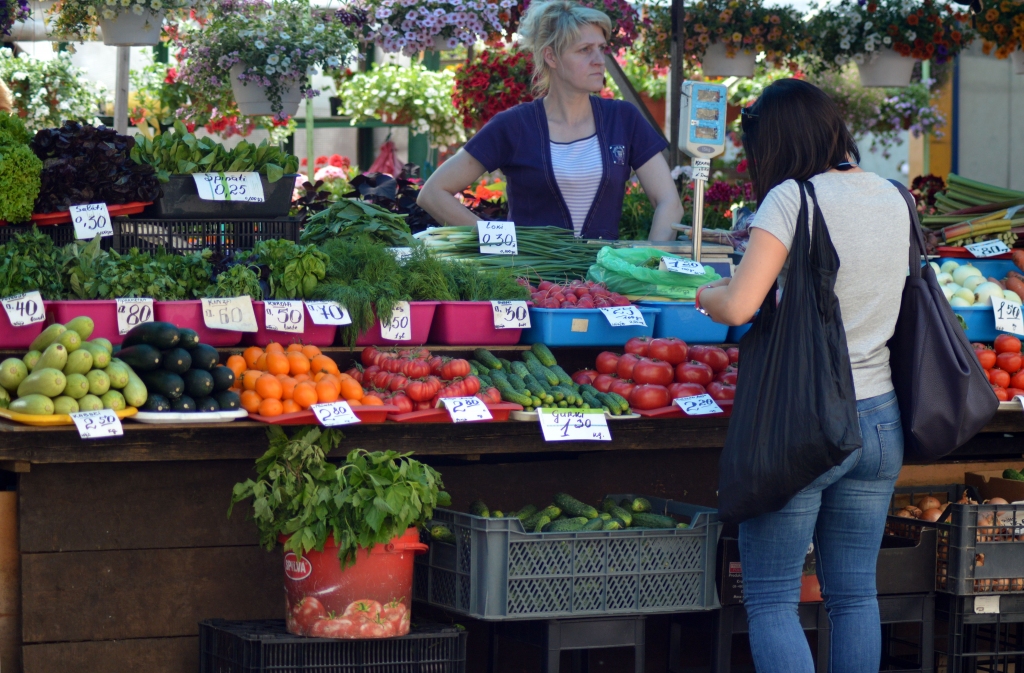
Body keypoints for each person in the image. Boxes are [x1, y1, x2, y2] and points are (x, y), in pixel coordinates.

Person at [695, 78, 910, 673]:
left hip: (805, 420)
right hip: (880, 417)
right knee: (854, 595)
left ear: (778, 143)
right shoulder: (895, 196)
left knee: (770, 599)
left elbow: (740, 306)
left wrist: (706, 293)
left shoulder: (793, 199)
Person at [416, 0, 683, 240]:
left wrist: (650, 262)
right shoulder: (514, 126)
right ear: (551, 56)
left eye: (601, 48)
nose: (599, 60)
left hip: (601, 289)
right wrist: (499, 242)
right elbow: (433, 193)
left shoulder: (623, 119)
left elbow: (669, 201)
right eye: (584, 50)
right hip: (532, 284)